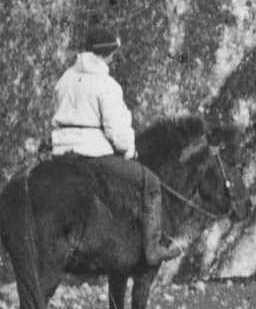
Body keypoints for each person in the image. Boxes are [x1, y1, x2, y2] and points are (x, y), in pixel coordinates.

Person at [46, 24, 169, 259]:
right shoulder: (107, 85)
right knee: (151, 183)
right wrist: (129, 151)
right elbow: (117, 132)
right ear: (108, 54)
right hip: (92, 155)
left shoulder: (65, 79)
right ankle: (153, 248)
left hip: (61, 153)